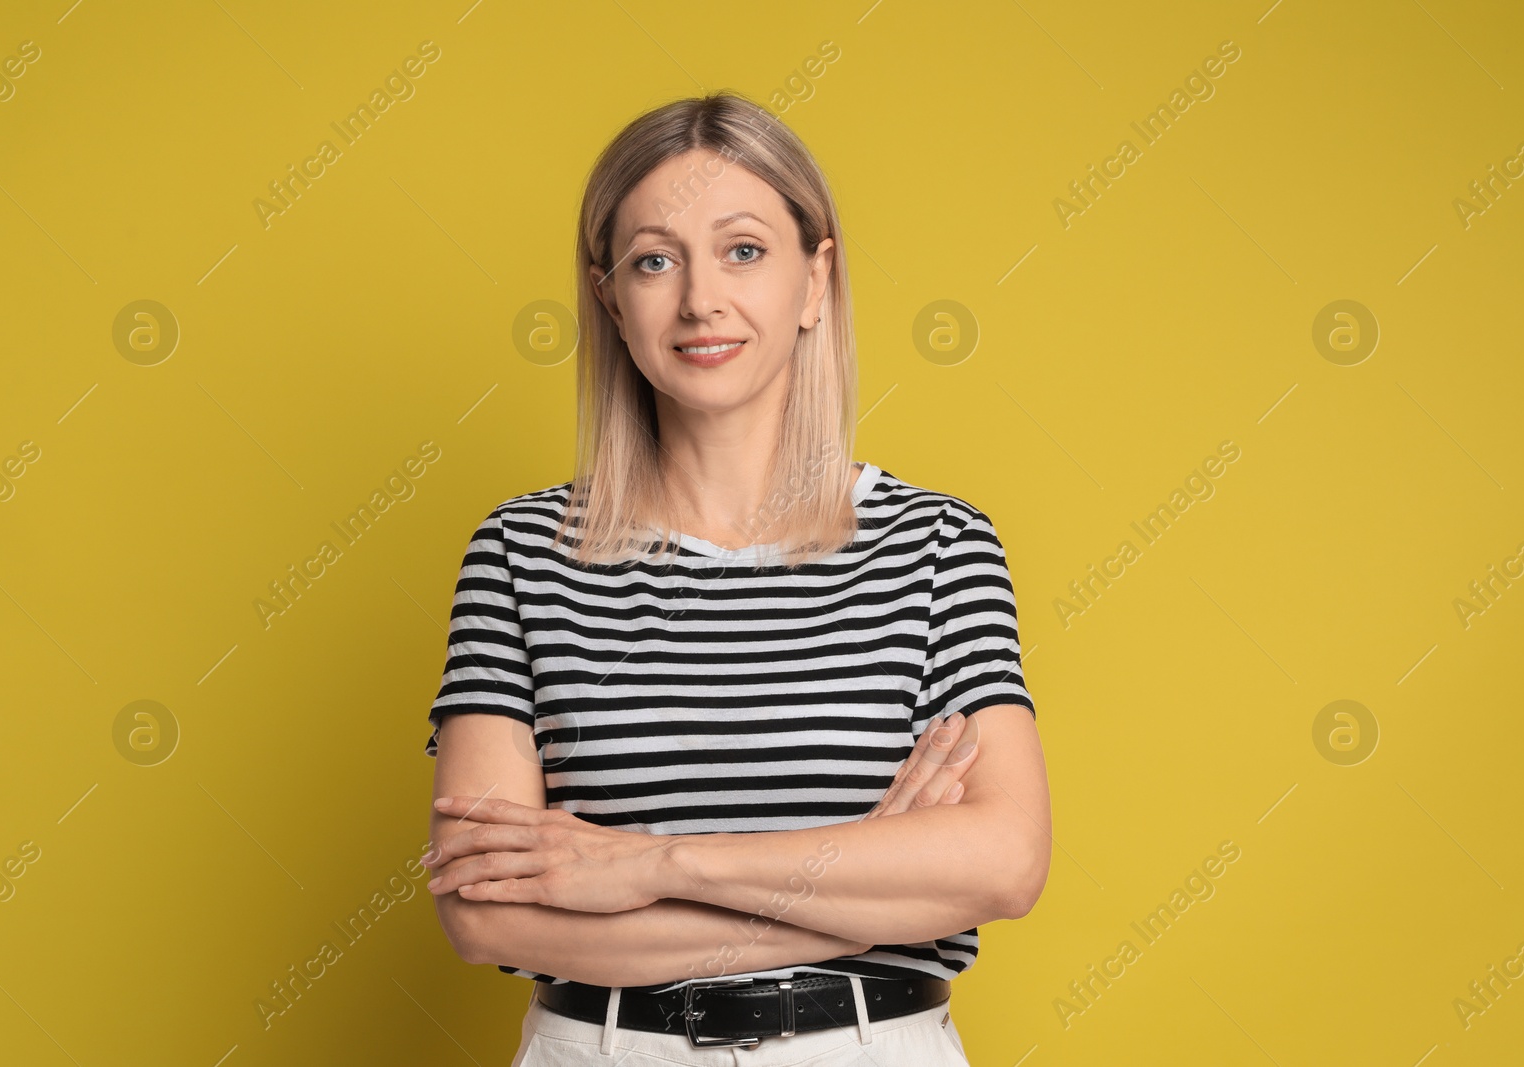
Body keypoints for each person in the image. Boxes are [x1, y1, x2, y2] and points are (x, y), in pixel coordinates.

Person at [420, 91, 1052, 1065]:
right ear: (609, 298)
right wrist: (853, 890)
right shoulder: (519, 552)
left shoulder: (937, 543)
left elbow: (1004, 862)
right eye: (655, 260)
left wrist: (647, 864)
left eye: (744, 250)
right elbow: (487, 916)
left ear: (814, 280)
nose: (699, 298)